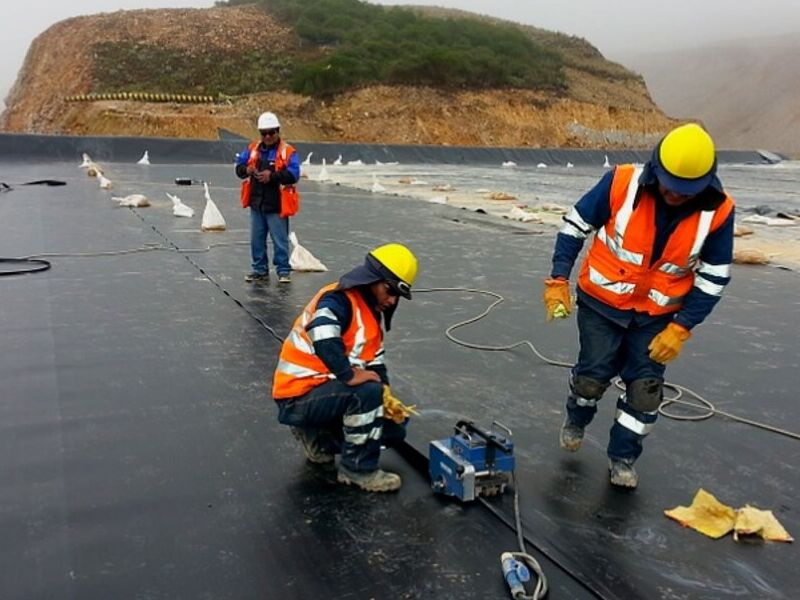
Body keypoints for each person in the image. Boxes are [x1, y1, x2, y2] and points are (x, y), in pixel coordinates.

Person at [542, 123, 735, 489]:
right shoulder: (621, 183)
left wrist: (682, 327)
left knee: (645, 393)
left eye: (685, 192)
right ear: (655, 169)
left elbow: (714, 277)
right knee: (591, 378)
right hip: (602, 305)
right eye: (669, 186)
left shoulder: (719, 212)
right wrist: (557, 280)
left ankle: (623, 457)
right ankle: (576, 419)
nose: (674, 195)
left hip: (657, 319)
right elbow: (574, 226)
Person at [272, 243, 419, 492]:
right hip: (297, 396)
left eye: (397, 296)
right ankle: (358, 469)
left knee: (393, 429)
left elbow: (375, 363)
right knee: (366, 392)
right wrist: (348, 375)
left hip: (323, 395)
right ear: (373, 279)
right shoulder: (339, 300)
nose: (392, 300)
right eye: (390, 290)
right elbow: (321, 332)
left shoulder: (370, 316)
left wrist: (386, 398)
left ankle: (317, 439)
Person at [235, 111, 300, 284]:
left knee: (280, 241)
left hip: (277, 205)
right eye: (264, 133)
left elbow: (294, 174)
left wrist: (272, 176)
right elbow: (239, 168)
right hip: (257, 203)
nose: (268, 137)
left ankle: (283, 271)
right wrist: (246, 170)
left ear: (278, 131)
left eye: (271, 132)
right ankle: (259, 270)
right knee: (256, 240)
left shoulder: (287, 151)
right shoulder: (252, 149)